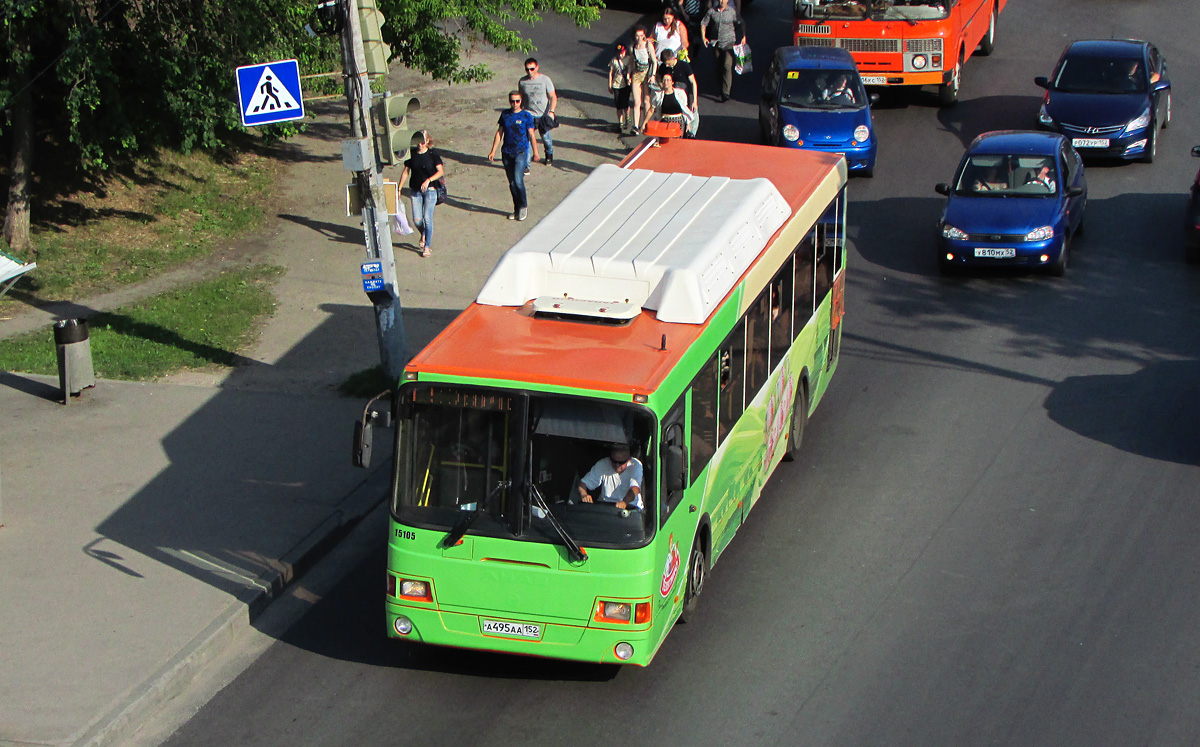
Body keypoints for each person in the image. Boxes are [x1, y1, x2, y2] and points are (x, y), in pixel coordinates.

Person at [487, 91, 540, 221]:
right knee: (511, 183)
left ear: (521, 101)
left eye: (517, 101)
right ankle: (516, 209)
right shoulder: (505, 114)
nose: (514, 104)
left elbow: (532, 135)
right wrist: (493, 150)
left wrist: (536, 152)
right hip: (507, 152)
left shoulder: (526, 116)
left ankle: (523, 206)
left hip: (521, 152)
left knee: (518, 180)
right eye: (512, 101)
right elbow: (500, 133)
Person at [397, 130, 444, 257]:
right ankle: (423, 233)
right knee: (417, 220)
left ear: (427, 141)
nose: (420, 145)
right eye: (418, 142)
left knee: (427, 218)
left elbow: (440, 172)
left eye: (422, 142)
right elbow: (406, 172)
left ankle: (427, 246)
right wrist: (399, 188)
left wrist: (428, 180)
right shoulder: (412, 154)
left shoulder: (433, 154)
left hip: (431, 190)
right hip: (416, 190)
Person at [701, 0, 746, 103]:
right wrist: (704, 37)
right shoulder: (712, 11)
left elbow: (741, 22)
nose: (721, 1)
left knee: (727, 65)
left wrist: (744, 36)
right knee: (719, 65)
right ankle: (721, 85)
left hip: (729, 42)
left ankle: (726, 92)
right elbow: (704, 23)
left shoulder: (731, 12)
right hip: (716, 42)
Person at [577, 443, 644, 511]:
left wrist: (624, 502)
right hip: (605, 507)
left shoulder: (635, 465)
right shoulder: (603, 464)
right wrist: (584, 495)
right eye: (614, 461)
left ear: (628, 459)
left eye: (621, 462)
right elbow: (583, 483)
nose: (617, 465)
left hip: (630, 508)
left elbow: (635, 488)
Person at [519, 58, 558, 167]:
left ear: (537, 67)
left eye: (532, 69)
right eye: (527, 69)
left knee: (546, 139)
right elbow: (520, 97)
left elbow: (553, 97)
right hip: (528, 115)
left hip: (542, 115)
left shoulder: (545, 80)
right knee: (527, 140)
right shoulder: (523, 82)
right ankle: (526, 165)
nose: (530, 72)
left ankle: (549, 154)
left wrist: (552, 112)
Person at [658, 49, 699, 137]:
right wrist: (661, 85)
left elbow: (693, 82)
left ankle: (689, 134)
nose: (667, 65)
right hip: (669, 97)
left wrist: (695, 101)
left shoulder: (684, 66)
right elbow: (658, 77)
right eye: (665, 63)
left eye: (668, 63)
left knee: (688, 118)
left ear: (673, 58)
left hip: (683, 97)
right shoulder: (663, 67)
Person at [629, 25, 658, 135]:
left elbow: (654, 61)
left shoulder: (648, 45)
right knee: (637, 101)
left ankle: (646, 124)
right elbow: (631, 62)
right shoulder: (632, 47)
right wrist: (628, 75)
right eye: (637, 36)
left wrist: (653, 75)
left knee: (646, 100)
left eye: (641, 35)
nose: (639, 38)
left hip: (647, 74)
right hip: (637, 74)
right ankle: (636, 125)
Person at [650, 72, 697, 137]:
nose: (666, 82)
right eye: (664, 80)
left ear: (672, 82)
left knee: (677, 143)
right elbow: (652, 110)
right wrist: (645, 123)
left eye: (668, 80)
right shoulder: (658, 96)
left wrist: (688, 123)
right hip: (664, 121)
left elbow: (685, 109)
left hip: (678, 122)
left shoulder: (680, 93)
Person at [608, 42, 634, 134]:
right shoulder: (614, 61)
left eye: (622, 52)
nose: (620, 54)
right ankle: (620, 122)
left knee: (626, 103)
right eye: (618, 52)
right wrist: (610, 85)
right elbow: (611, 73)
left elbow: (632, 71)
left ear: (625, 52)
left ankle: (628, 118)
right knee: (618, 105)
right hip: (616, 85)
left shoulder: (628, 60)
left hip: (626, 85)